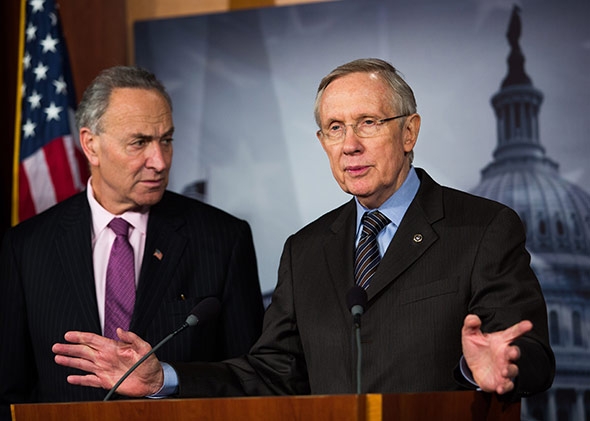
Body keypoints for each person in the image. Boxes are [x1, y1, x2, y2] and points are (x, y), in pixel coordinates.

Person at [52, 58, 555, 401]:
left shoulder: (483, 228)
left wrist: (489, 368)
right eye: (335, 129)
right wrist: (166, 375)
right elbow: (271, 374)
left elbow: (533, 358)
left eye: (369, 123)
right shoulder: (306, 250)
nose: (350, 145)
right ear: (322, 142)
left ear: (410, 131)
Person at [0, 66, 264, 419]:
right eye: (139, 142)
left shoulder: (223, 239)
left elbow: (252, 379)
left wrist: (166, 380)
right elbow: (9, 391)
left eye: (166, 140)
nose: (159, 161)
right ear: (90, 144)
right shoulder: (27, 247)